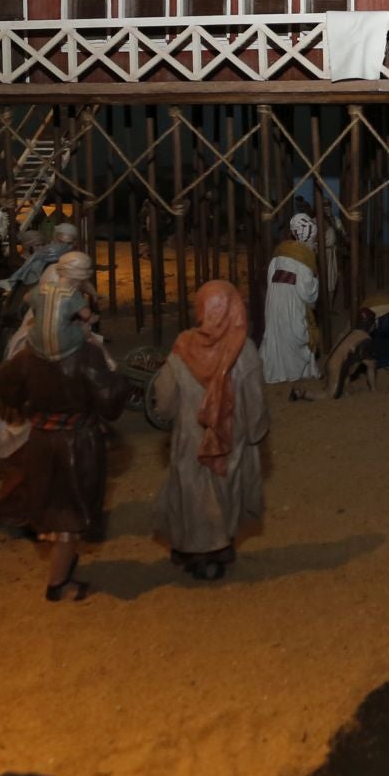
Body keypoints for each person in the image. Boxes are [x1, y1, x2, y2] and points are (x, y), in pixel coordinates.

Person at [0, 275, 132, 602]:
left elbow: (2, 381)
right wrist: (115, 378)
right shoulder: (83, 357)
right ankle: (58, 584)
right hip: (76, 444)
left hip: (41, 440)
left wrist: (25, 405)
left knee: (54, 506)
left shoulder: (28, 357)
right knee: (68, 516)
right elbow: (111, 401)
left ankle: (62, 566)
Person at [153, 281, 271, 581]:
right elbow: (255, 400)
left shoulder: (182, 347)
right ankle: (218, 551)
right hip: (232, 438)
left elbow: (164, 401)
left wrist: (171, 418)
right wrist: (256, 431)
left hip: (190, 439)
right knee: (225, 493)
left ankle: (191, 549)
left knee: (190, 493)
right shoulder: (244, 351)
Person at [261, 213, 321, 387]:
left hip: (275, 303)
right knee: (295, 335)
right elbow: (307, 292)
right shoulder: (303, 258)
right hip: (293, 305)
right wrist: (315, 281)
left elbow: (270, 277)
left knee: (279, 336)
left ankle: (278, 370)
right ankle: (295, 372)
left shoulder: (280, 252)